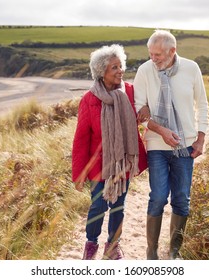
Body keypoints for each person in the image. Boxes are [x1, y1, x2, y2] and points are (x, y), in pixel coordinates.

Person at [133, 30, 209, 260]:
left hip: (185, 145)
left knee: (181, 199)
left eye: (157, 54)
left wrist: (201, 137)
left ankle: (174, 251)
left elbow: (203, 105)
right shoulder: (145, 71)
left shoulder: (191, 68)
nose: (153, 58)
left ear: (172, 51)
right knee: (157, 196)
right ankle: (152, 251)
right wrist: (163, 131)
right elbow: (139, 111)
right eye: (150, 54)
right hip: (157, 143)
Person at [72, 44, 147, 260]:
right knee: (97, 206)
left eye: (121, 66)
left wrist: (146, 109)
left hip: (122, 161)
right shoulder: (89, 99)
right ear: (101, 71)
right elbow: (81, 138)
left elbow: (146, 107)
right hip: (98, 165)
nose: (120, 71)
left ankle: (113, 246)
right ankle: (91, 244)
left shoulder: (131, 92)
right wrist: (79, 174)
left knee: (118, 206)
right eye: (114, 67)